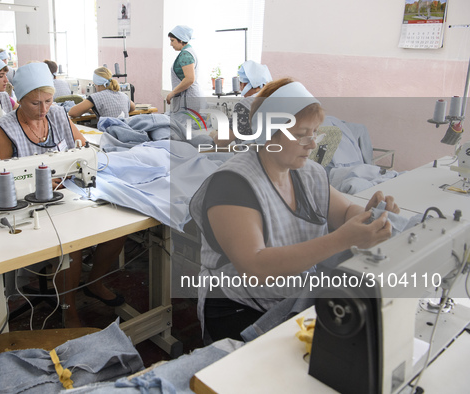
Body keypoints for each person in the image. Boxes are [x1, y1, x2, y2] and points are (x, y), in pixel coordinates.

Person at [189, 78, 399, 342]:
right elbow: (254, 267)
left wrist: (368, 217)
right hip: (239, 306)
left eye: (314, 133)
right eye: (301, 135)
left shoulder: (308, 172)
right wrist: (343, 239)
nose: (312, 144)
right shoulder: (232, 184)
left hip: (290, 295)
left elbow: (345, 212)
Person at [0, 62, 126, 325]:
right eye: (35, 104)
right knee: (70, 249)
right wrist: (33, 185)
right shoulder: (3, 130)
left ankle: (94, 283)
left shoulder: (59, 116)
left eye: (48, 101)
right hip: (28, 209)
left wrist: (73, 167)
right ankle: (68, 308)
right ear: (19, 99)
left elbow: (81, 148)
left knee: (118, 229)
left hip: (67, 196)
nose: (43, 110)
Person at [68, 66, 134, 119]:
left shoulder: (96, 97)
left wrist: (87, 109)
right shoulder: (123, 95)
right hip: (125, 132)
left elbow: (72, 113)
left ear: (97, 84)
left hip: (109, 134)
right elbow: (133, 107)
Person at [166, 25, 203, 112]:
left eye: (172, 41)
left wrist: (172, 93)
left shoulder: (185, 55)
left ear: (181, 39)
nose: (171, 44)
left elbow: (190, 79)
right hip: (189, 99)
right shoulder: (189, 52)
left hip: (188, 100)